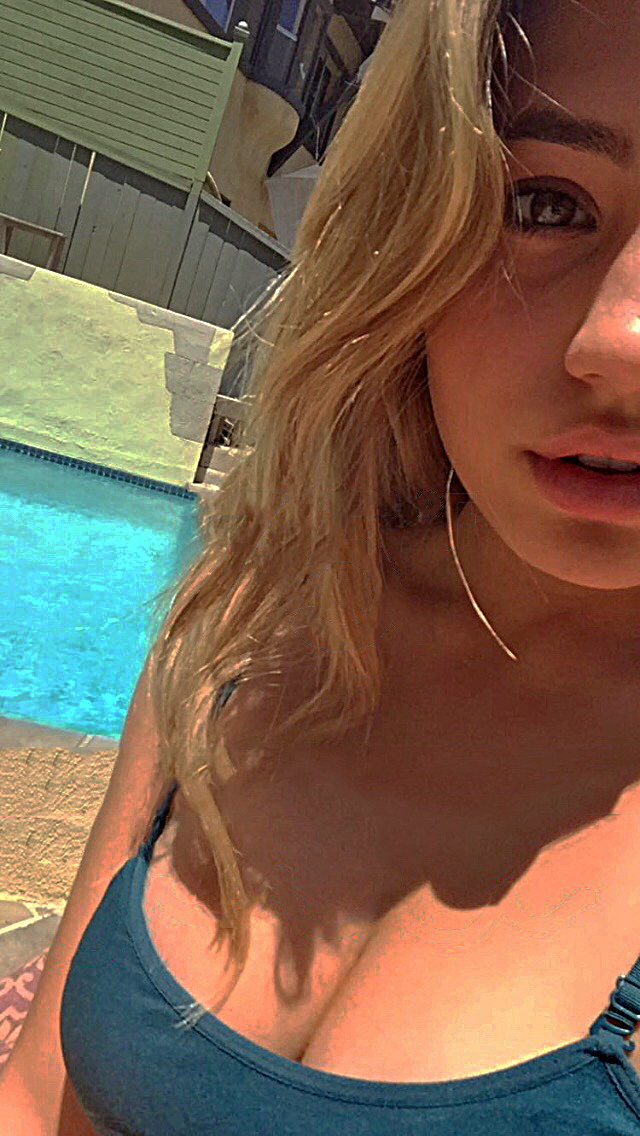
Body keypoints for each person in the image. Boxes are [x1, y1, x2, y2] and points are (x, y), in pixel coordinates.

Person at [3, 0, 640, 1131]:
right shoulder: (257, 612)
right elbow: (41, 1091)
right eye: (544, 204)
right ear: (416, 228)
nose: (617, 346)